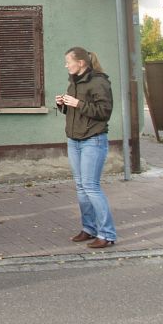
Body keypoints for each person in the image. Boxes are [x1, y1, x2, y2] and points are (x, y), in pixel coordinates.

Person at [57, 47, 117, 249]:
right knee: (81, 186)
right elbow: (75, 111)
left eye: (68, 61)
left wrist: (77, 103)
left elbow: (104, 111)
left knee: (91, 187)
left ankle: (107, 234)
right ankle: (89, 229)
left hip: (93, 139)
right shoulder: (74, 81)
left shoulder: (99, 81)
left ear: (80, 63)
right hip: (74, 140)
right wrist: (63, 104)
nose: (66, 65)